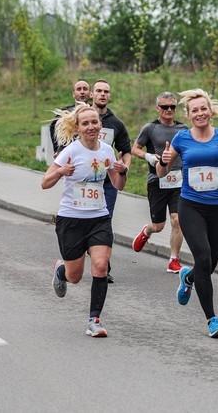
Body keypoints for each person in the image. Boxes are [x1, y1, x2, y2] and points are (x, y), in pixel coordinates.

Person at [157, 88, 218, 338]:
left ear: (210, 111)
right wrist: (163, 161)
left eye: (203, 108)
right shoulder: (182, 139)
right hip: (191, 206)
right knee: (204, 258)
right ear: (188, 114)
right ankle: (212, 320)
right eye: (194, 110)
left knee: (210, 264)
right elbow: (163, 173)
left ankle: (188, 278)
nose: (200, 113)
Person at [42, 103, 127, 337]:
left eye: (94, 122)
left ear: (100, 125)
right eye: (86, 123)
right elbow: (44, 182)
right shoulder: (71, 151)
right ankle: (61, 271)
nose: (91, 127)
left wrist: (122, 171)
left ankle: (94, 320)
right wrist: (60, 172)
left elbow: (118, 185)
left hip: (99, 217)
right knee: (75, 277)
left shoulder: (107, 151)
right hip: (71, 219)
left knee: (100, 266)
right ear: (77, 128)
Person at [131, 92, 188, 273]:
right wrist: (149, 157)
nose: (169, 110)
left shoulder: (183, 129)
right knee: (159, 226)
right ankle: (147, 231)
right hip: (157, 180)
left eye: (172, 107)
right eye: (165, 107)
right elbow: (135, 149)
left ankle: (173, 260)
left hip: (179, 181)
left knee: (177, 220)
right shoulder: (150, 128)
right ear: (158, 109)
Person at [91, 79, 132, 284]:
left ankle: (103, 266)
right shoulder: (80, 118)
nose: (102, 94)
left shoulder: (116, 124)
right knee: (84, 221)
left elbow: (127, 152)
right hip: (85, 181)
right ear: (91, 94)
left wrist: (124, 168)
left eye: (106, 91)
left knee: (105, 221)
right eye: (98, 91)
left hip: (107, 182)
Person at [49, 80, 91, 155]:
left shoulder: (94, 112)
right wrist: (57, 149)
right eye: (79, 89)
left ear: (90, 93)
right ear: (73, 94)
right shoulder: (65, 113)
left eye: (85, 89)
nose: (82, 92)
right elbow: (53, 127)